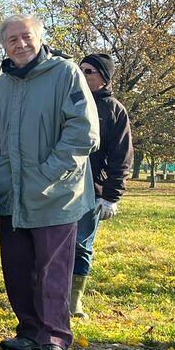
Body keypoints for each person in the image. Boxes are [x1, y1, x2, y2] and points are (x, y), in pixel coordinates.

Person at [0, 14, 99, 350]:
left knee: (53, 268)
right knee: (17, 266)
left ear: (40, 38)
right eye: (12, 39)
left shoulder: (66, 74)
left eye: (26, 36)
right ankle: (28, 330)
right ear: (4, 45)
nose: (20, 44)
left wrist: (51, 172)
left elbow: (83, 131)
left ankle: (54, 338)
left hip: (57, 194)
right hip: (11, 193)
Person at [71, 53, 133, 318]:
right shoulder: (70, 101)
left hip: (93, 191)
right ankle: (49, 293)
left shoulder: (114, 110)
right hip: (61, 186)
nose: (83, 75)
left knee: (81, 244)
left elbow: (122, 156)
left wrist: (110, 197)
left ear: (104, 77)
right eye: (80, 70)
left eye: (89, 72)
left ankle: (74, 300)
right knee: (54, 244)